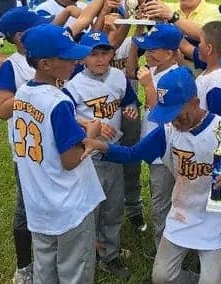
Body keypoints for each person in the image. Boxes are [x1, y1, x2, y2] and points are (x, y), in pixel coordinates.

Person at [86, 67, 221, 284]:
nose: (176, 121)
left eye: (180, 115)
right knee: (161, 277)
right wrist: (100, 147)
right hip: (182, 213)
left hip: (215, 217)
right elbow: (133, 154)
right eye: (169, 116)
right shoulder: (167, 132)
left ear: (195, 102)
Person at [11, 24, 106, 284]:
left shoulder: (23, 93)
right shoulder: (59, 102)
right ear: (45, 64)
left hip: (39, 200)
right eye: (67, 58)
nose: (75, 61)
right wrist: (94, 135)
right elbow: (70, 160)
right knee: (74, 269)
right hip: (69, 203)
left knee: (45, 266)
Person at [63, 30, 139, 280]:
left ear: (111, 54)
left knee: (113, 206)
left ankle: (110, 253)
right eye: (92, 54)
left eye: (104, 53)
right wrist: (87, 122)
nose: (99, 59)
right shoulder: (73, 85)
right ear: (82, 57)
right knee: (90, 209)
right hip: (87, 157)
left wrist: (130, 109)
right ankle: (89, 252)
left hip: (112, 153)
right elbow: (64, 116)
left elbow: (129, 101)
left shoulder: (118, 76)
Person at [0, 7, 49, 284]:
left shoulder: (51, 57)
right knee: (25, 207)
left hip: (54, 142)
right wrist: (33, 91)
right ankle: (24, 265)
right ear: (20, 36)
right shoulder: (12, 65)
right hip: (28, 149)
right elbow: (2, 110)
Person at [128, 24, 183, 251]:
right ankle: (166, 245)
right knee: (161, 198)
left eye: (153, 49)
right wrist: (135, 39)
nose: (147, 53)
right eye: (146, 49)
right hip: (156, 147)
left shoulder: (176, 77)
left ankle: (164, 249)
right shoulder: (154, 70)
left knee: (164, 202)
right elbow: (131, 70)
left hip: (169, 150)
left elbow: (158, 110)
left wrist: (149, 86)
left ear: (169, 54)